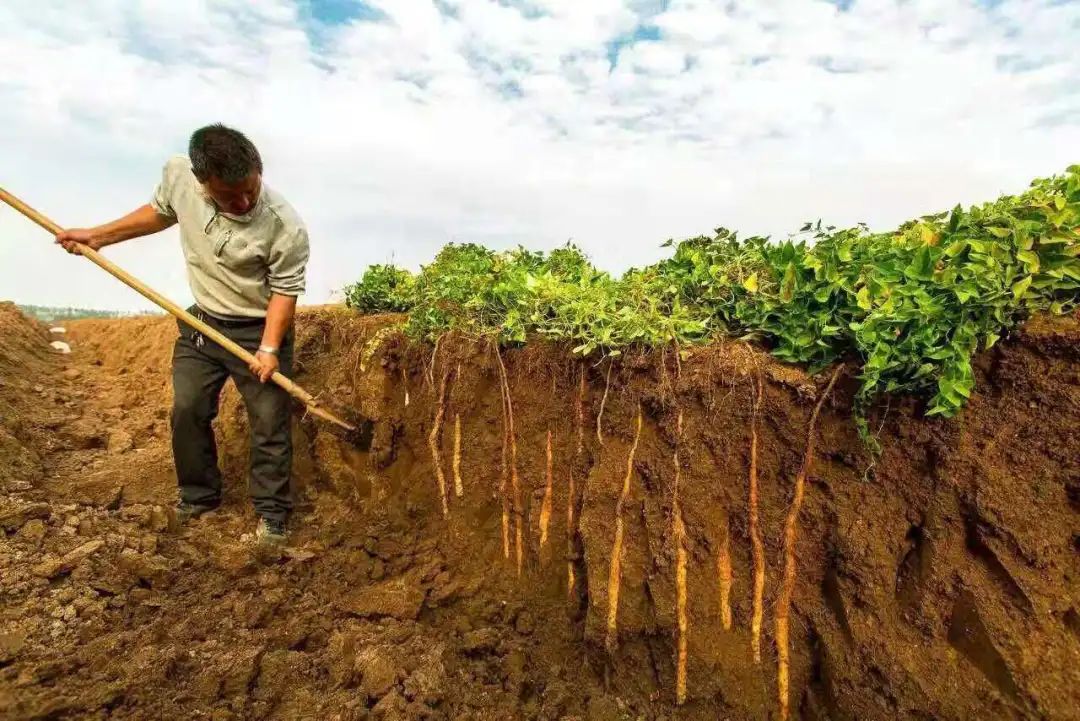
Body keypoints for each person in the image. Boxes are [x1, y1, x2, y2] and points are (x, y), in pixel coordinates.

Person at [55, 124, 310, 545]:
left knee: (269, 422)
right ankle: (198, 497)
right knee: (188, 410)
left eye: (250, 190)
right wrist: (98, 237)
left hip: (257, 330)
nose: (244, 202)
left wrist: (268, 349)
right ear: (201, 181)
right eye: (230, 197)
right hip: (201, 325)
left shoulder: (285, 227)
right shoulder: (179, 176)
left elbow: (284, 291)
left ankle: (272, 515)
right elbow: (160, 212)